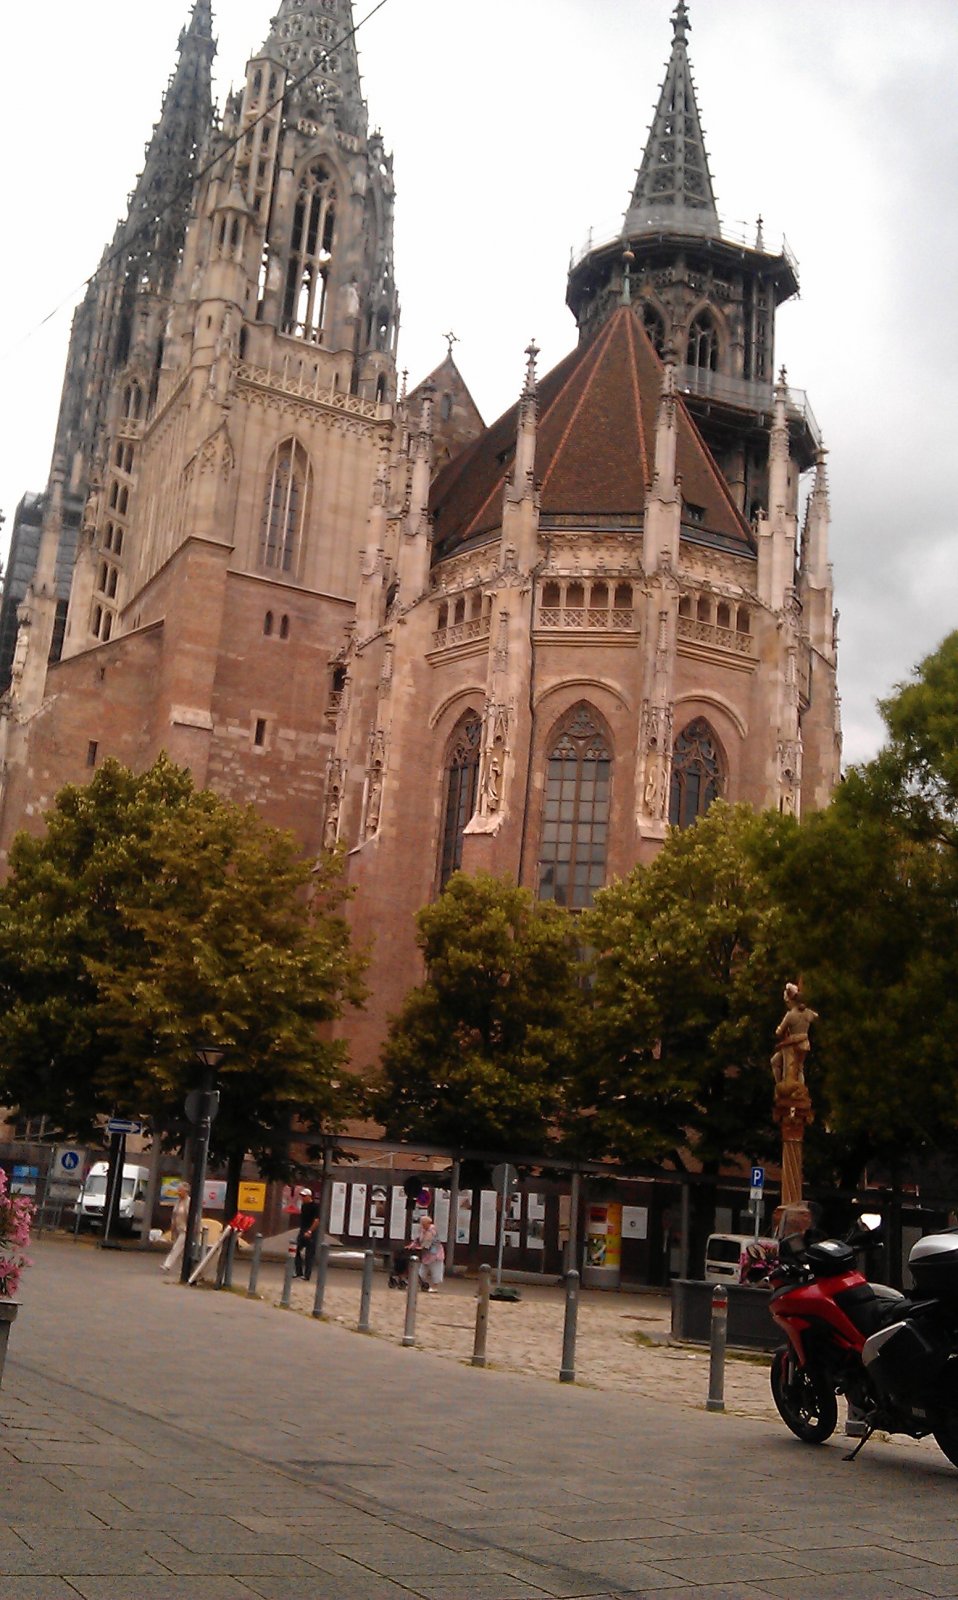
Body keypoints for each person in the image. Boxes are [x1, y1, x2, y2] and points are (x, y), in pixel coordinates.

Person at [161, 1182, 190, 1273]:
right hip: (177, 1228)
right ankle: (185, 1269)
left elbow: (192, 1216)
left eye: (180, 1191)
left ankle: (167, 1265)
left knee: (176, 1247)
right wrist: (172, 1228)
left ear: (185, 1191)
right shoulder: (178, 1202)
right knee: (182, 1251)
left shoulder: (189, 1202)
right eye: (178, 1190)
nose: (178, 1192)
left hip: (185, 1230)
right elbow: (174, 1215)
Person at [414, 1213, 445, 1292]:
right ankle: (416, 1284)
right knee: (422, 1270)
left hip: (435, 1254)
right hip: (426, 1254)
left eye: (423, 1223)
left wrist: (421, 1247)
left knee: (436, 1270)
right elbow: (418, 1239)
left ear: (428, 1223)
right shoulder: (423, 1229)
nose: (421, 1225)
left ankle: (435, 1287)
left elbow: (428, 1240)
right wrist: (414, 1244)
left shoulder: (432, 1229)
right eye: (421, 1223)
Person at [295, 1188, 320, 1280]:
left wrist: (310, 1231)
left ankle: (307, 1275)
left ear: (309, 1196)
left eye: (304, 1196)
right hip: (303, 1230)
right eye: (302, 1196)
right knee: (296, 1250)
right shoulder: (303, 1206)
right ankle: (299, 1272)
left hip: (311, 1231)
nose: (302, 1198)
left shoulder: (315, 1206)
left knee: (309, 1254)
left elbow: (317, 1220)